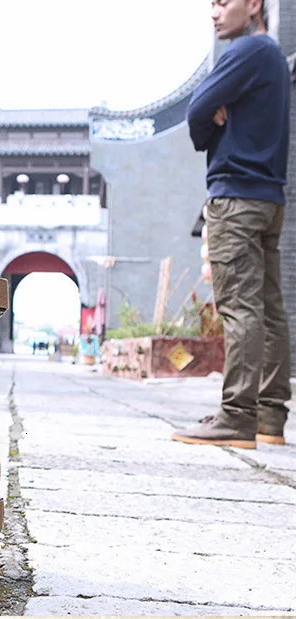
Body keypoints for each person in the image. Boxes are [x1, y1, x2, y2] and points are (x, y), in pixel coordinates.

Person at [172, 0, 291, 449]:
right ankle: (270, 416)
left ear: (255, 4)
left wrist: (214, 118)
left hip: (235, 198)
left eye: (224, 2)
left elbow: (197, 111)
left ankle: (237, 416)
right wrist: (217, 111)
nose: (214, 12)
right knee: (269, 309)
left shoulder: (245, 51)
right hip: (269, 199)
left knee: (241, 307)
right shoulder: (274, 56)